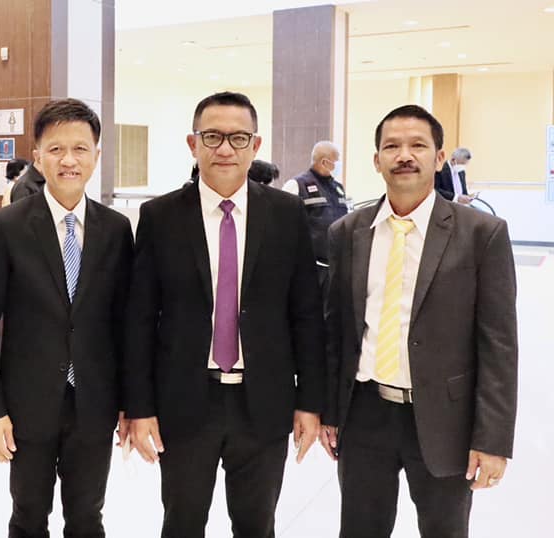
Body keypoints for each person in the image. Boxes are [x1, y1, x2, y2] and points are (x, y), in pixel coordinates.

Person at [125, 91, 325, 538]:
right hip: (184, 401)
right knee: (182, 523)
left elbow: (306, 313)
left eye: (238, 138)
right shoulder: (160, 216)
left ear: (255, 146)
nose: (225, 149)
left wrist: (310, 401)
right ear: (193, 143)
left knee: (256, 526)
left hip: (264, 402)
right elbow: (139, 318)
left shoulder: (285, 213)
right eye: (212, 136)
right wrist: (139, 407)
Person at [320, 105, 517, 537]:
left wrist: (492, 439)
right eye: (392, 146)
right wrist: (329, 411)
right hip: (365, 412)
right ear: (376, 160)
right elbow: (336, 331)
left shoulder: (481, 234)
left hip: (446, 418)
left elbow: (499, 344)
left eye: (417, 145)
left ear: (439, 157)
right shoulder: (348, 232)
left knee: (444, 529)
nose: (404, 155)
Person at [0, 98, 133, 538]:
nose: (69, 160)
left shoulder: (116, 229)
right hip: (26, 402)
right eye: (56, 149)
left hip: (95, 400)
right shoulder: (5, 226)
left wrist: (131, 402)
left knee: (87, 517)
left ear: (96, 155)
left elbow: (125, 323)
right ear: (38, 157)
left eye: (80, 149)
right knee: (27, 516)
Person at [283, 141, 350, 288]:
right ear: (325, 162)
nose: (339, 165)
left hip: (335, 267)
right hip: (309, 269)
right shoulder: (297, 185)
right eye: (337, 161)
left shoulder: (338, 188)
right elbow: (283, 228)